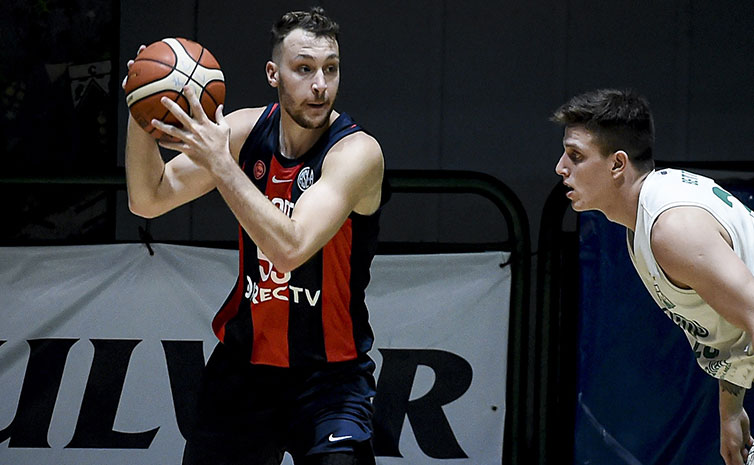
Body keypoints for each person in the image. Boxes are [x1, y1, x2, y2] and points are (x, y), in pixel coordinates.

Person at [123, 7, 386, 465]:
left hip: (329, 377)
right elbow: (148, 198)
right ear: (273, 74)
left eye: (330, 69)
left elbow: (290, 248)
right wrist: (141, 102)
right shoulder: (245, 132)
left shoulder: (357, 153)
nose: (320, 85)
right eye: (304, 69)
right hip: (244, 368)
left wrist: (221, 164)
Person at [552, 88, 754, 465]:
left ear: (617, 164)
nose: (561, 168)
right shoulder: (648, 217)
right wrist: (730, 409)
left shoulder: (673, 230)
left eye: (575, 156)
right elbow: (735, 325)